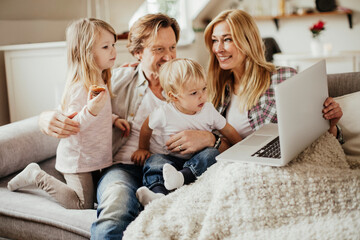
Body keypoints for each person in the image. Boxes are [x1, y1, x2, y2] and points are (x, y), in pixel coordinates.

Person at [38, 13, 216, 239]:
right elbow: (70, 103)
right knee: (116, 208)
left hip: (174, 168)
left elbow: (220, 131)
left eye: (172, 47)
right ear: (138, 52)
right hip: (123, 168)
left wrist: (210, 139)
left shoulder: (192, 82)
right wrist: (44, 118)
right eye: (158, 49)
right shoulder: (116, 78)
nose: (169, 56)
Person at [7, 18, 130, 209]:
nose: (114, 51)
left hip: (96, 158)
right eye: (106, 47)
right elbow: (73, 125)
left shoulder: (101, 77)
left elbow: (100, 113)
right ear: (86, 52)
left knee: (102, 197)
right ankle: (35, 175)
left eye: (113, 44)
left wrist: (113, 120)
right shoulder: (79, 87)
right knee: (81, 205)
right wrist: (91, 110)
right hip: (78, 160)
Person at [202, 9, 343, 150]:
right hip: (237, 164)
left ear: (248, 41)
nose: (218, 49)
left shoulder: (284, 78)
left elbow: (318, 136)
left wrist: (330, 124)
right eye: (215, 40)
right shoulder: (214, 90)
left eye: (227, 39)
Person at [132, 58, 242, 206]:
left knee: (212, 153)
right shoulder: (164, 113)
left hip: (196, 159)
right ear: (173, 97)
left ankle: (182, 178)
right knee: (154, 161)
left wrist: (241, 147)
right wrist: (143, 148)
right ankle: (158, 194)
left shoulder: (208, 110)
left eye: (204, 88)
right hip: (168, 158)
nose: (202, 95)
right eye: (194, 93)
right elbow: (147, 127)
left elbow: (227, 129)